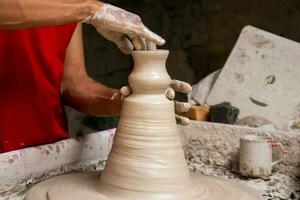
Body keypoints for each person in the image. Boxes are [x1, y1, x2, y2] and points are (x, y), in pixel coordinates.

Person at [0, 0, 191, 153]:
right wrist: (92, 10)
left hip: (48, 150)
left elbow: (74, 85)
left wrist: (132, 101)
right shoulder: (81, 8)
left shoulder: (73, 5)